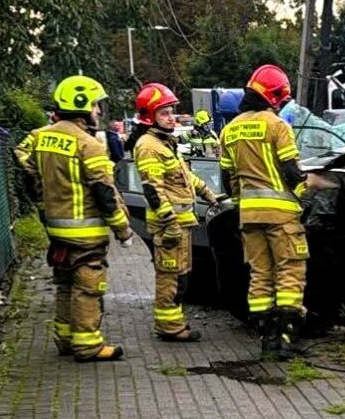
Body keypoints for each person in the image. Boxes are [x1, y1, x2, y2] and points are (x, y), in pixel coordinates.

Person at [22, 75, 134, 362]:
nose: (97, 110)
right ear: (81, 105)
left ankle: (65, 339)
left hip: (56, 229)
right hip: (85, 233)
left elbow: (26, 167)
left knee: (64, 285)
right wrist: (122, 230)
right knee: (88, 287)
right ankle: (87, 345)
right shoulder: (88, 144)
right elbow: (104, 193)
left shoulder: (39, 137)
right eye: (95, 104)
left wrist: (43, 204)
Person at [219, 65, 309, 358]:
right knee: (289, 271)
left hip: (249, 216)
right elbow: (291, 171)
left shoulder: (229, 130)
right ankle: (288, 340)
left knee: (260, 274)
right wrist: (306, 194)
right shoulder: (276, 125)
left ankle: (267, 340)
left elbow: (227, 179)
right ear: (274, 97)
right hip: (282, 216)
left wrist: (240, 204)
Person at [128, 84, 226, 342]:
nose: (171, 117)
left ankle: (174, 321)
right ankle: (169, 327)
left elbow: (185, 177)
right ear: (149, 117)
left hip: (181, 225)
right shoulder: (149, 146)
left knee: (181, 276)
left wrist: (210, 195)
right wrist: (170, 223)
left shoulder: (165, 143)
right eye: (164, 113)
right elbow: (153, 190)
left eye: (171, 112)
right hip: (170, 227)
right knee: (170, 277)